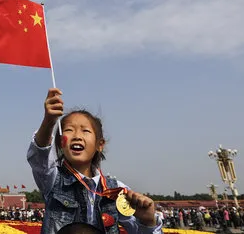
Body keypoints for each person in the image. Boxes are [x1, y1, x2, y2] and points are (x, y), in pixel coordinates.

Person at [27, 88, 163, 233]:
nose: (77, 136)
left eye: (85, 131)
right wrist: (49, 121)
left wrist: (148, 222)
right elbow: (39, 156)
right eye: (69, 130)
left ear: (100, 144)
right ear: (61, 143)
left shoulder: (116, 190)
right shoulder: (53, 180)